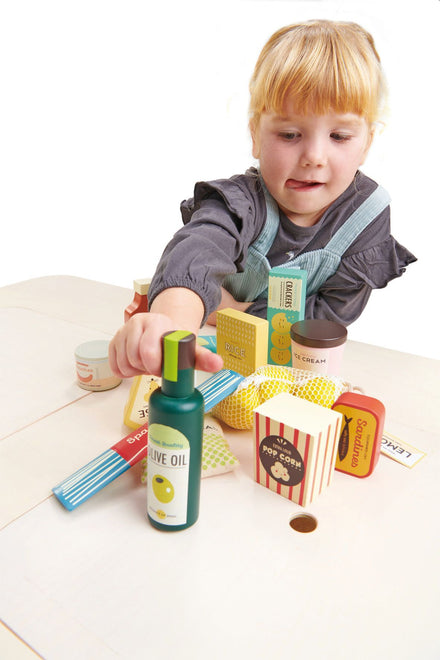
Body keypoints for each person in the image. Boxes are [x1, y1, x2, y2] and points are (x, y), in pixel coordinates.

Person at [110, 19, 416, 379]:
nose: (314, 157)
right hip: (210, 355)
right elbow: (195, 254)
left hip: (289, 368)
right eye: (289, 134)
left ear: (366, 145)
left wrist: (232, 311)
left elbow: (327, 319)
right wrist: (171, 327)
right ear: (255, 135)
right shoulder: (240, 203)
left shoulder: (367, 217)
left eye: (339, 136)